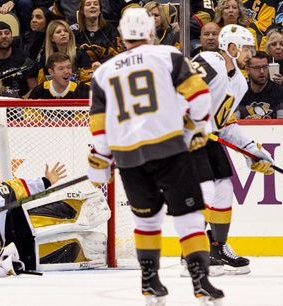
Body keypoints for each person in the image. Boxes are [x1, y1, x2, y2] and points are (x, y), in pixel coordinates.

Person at [88, 8, 224, 305]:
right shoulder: (167, 55)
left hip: (128, 158)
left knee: (146, 221)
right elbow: (199, 96)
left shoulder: (102, 72)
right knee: (189, 218)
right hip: (169, 150)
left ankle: (150, 283)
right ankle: (201, 283)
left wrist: (101, 159)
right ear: (150, 32)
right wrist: (200, 126)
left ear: (121, 36)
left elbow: (98, 124)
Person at [190, 24, 274, 275]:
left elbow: (224, 124)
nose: (250, 53)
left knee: (224, 188)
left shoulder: (239, 82)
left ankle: (217, 247)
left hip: (206, 137)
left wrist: (252, 150)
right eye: (247, 47)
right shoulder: (210, 59)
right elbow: (181, 86)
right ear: (232, 46)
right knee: (204, 190)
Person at [0, 21, 39, 97]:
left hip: (19, 104)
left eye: (7, 33)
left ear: (12, 37)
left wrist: (20, 102)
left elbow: (34, 89)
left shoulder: (25, 60)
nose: (4, 36)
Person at [38, 19, 92, 85]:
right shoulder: (45, 57)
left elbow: (88, 81)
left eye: (66, 31)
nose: (63, 34)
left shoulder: (80, 53)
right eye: (58, 32)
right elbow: (43, 84)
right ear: (52, 38)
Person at [236, 51, 283, 119]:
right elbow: (234, 121)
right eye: (257, 68)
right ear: (247, 70)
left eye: (265, 67)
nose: (262, 71)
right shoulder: (240, 92)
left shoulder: (281, 91)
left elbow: (282, 123)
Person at [73, 0, 123, 69]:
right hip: (85, 74)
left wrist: (101, 63)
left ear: (100, 10)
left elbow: (118, 53)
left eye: (96, 4)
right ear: (82, 11)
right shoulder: (76, 33)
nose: (92, 6)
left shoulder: (110, 29)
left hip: (110, 69)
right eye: (88, 4)